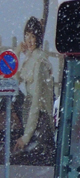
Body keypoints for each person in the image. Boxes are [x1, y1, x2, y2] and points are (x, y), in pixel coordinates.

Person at [13, 17, 55, 165]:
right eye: (27, 36)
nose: (29, 40)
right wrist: (17, 52)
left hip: (40, 124)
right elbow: (13, 80)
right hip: (32, 119)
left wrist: (26, 136)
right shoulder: (30, 58)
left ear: (38, 38)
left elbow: (37, 102)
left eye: (33, 36)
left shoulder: (39, 62)